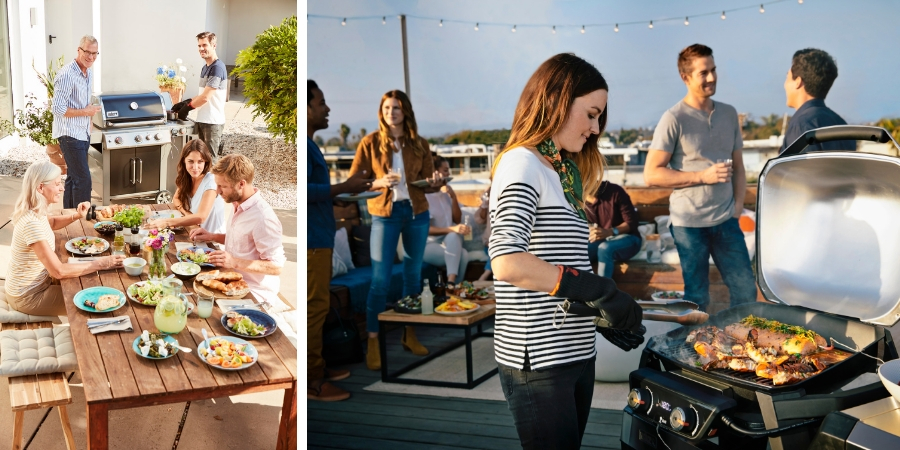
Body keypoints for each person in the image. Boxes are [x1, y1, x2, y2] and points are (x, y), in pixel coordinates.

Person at [489, 53, 643, 449]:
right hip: (538, 360)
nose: (595, 129)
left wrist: (600, 313)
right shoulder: (521, 163)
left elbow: (563, 267)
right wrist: (597, 289)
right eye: (591, 115)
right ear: (558, 99)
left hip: (575, 351)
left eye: (599, 119)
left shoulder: (563, 173)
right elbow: (506, 261)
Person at [644, 44, 757, 312]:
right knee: (698, 298)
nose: (712, 77)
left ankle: (740, 347)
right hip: (689, 225)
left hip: (727, 221)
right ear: (686, 77)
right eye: (704, 73)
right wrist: (702, 176)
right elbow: (651, 173)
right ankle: (697, 351)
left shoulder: (729, 113)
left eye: (714, 70)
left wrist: (738, 207)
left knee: (746, 289)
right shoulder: (673, 118)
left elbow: (739, 167)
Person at [349, 90, 443, 371]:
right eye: (388, 107)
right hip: (385, 214)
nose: (392, 112)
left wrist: (437, 182)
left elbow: (428, 182)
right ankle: (374, 341)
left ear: (406, 112)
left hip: (417, 213)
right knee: (380, 279)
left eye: (397, 108)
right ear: (382, 111)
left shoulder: (419, 144)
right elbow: (354, 180)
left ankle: (409, 333)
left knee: (412, 277)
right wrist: (379, 182)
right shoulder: (370, 143)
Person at [306, 80, 372, 402]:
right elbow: (303, 191)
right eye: (320, 102)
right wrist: (343, 185)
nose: (327, 108)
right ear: (304, 108)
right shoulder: (302, 146)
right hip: (312, 243)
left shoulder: (309, 144)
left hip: (320, 238)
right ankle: (313, 381)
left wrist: (343, 196)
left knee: (316, 308)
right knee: (313, 310)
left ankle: (316, 367)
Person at [4, 161, 125, 316]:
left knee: (93, 284)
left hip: (41, 283)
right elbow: (58, 272)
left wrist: (76, 215)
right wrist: (103, 263)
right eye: (56, 184)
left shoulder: (34, 211)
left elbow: (52, 222)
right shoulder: (31, 224)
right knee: (97, 305)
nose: (62, 188)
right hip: (28, 296)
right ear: (41, 188)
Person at [188, 155, 286, 309]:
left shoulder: (263, 218)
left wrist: (234, 262)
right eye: (217, 185)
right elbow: (242, 240)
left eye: (223, 186)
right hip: (228, 278)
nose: (218, 191)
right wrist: (212, 236)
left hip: (253, 292)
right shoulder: (237, 203)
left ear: (241, 184)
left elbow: (276, 266)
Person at [52, 35, 101, 208]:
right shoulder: (67, 74)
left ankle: (70, 217)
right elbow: (57, 109)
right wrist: (85, 112)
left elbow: (82, 103)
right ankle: (83, 220)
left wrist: (88, 119)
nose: (91, 57)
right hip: (69, 134)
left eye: (95, 53)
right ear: (79, 50)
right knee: (83, 179)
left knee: (74, 177)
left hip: (82, 132)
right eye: (87, 52)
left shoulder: (88, 73)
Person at [780, 48, 854, 153]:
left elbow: (799, 169)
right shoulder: (841, 124)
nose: (785, 85)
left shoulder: (801, 126)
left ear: (798, 82)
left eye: (787, 78)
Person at [145, 140, 225, 233]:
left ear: (206, 162)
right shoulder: (186, 177)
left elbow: (201, 217)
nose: (195, 167)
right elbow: (176, 198)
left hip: (212, 239)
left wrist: (167, 222)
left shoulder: (211, 182)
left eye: (200, 162)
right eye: (191, 161)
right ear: (184, 161)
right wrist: (186, 213)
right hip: (193, 232)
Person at [171, 32, 227, 158]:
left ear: (214, 45)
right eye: (199, 45)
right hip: (203, 119)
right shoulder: (206, 67)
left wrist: (188, 108)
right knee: (202, 160)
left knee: (211, 161)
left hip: (212, 122)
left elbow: (205, 98)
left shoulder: (217, 68)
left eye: (205, 45)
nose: (201, 48)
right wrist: (185, 102)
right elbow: (201, 94)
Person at [422, 156, 471, 284]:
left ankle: (451, 286)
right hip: (427, 245)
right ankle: (453, 289)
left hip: (448, 242)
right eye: (445, 170)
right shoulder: (424, 197)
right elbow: (426, 229)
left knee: (461, 248)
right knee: (462, 253)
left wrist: (453, 197)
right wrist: (452, 229)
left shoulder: (446, 194)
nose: (448, 173)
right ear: (435, 173)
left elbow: (457, 218)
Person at [585, 181, 642, 278]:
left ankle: (604, 291)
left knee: (605, 249)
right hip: (599, 240)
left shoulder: (614, 191)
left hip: (629, 238)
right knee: (579, 251)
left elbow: (631, 223)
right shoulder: (576, 199)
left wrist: (610, 232)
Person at [474, 186, 493, 281]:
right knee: (495, 252)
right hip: (488, 243)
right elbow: (479, 220)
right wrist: (484, 205)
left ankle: (484, 276)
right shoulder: (488, 204)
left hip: (499, 244)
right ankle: (484, 277)